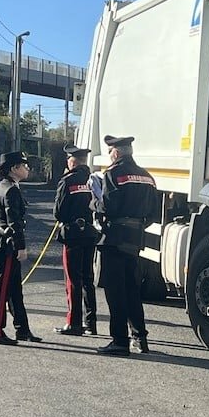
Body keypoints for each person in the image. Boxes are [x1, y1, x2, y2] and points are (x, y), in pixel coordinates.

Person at [94, 135, 157, 356]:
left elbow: (107, 206)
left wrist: (94, 202)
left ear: (116, 153)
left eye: (110, 152)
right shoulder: (147, 176)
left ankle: (119, 341)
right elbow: (153, 214)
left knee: (115, 291)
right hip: (135, 238)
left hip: (115, 238)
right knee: (132, 290)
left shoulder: (113, 174)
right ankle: (139, 338)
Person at [0, 151, 42, 345]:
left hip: (5, 242)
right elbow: (14, 222)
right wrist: (21, 247)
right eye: (23, 165)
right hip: (5, 244)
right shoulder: (10, 189)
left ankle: (22, 329)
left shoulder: (8, 186)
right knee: (2, 290)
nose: (27, 169)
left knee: (15, 289)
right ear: (13, 169)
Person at [53, 144, 98, 336]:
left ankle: (74, 323)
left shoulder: (68, 181)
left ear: (72, 161)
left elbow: (59, 212)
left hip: (72, 234)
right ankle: (91, 322)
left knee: (73, 280)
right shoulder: (93, 180)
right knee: (88, 278)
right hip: (90, 232)